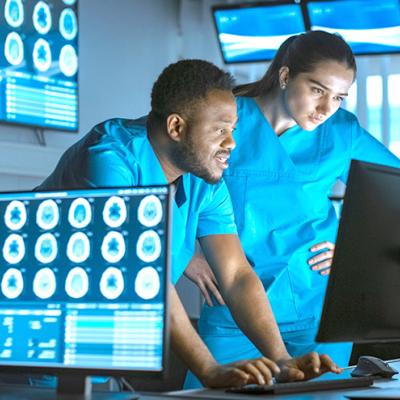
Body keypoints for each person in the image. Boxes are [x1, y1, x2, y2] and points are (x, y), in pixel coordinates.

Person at [37, 59, 340, 388]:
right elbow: (145, 277)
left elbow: (236, 275)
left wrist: (280, 360)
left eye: (233, 130)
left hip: (100, 349)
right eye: (220, 130)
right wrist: (209, 370)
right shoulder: (109, 159)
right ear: (176, 127)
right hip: (33, 343)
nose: (231, 143)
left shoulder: (203, 180)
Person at [183, 32, 400, 388]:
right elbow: (162, 177)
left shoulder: (341, 132)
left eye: (339, 97)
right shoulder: (224, 115)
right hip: (231, 309)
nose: (327, 108)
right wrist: (186, 255)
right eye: (317, 90)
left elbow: (392, 192)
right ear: (285, 76)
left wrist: (354, 252)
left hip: (315, 306)